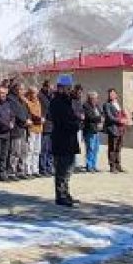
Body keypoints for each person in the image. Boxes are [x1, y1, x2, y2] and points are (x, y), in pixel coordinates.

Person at [50, 75, 82, 207]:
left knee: (68, 169)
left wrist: (76, 121)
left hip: (69, 140)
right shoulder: (57, 102)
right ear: (60, 88)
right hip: (61, 140)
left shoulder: (68, 101)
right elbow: (63, 121)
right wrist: (76, 123)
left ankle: (66, 193)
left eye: (70, 87)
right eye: (67, 88)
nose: (69, 90)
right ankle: (61, 195)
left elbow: (73, 116)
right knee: (61, 170)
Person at [5, 82, 31, 181]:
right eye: (21, 89)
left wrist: (28, 119)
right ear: (16, 90)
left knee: (23, 152)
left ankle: (21, 171)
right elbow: (17, 113)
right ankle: (11, 172)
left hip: (24, 129)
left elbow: (27, 112)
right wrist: (25, 120)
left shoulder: (23, 100)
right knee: (15, 151)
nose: (23, 91)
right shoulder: (11, 99)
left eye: (23, 89)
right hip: (16, 129)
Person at [102, 88, 128, 173]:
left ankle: (118, 165)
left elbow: (121, 114)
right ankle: (112, 167)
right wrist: (120, 120)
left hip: (120, 129)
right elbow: (109, 117)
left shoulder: (118, 104)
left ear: (116, 95)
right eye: (110, 94)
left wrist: (126, 117)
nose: (111, 95)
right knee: (112, 148)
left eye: (112, 94)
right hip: (113, 129)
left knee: (118, 148)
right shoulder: (107, 105)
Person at [22, 86, 44, 179]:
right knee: (30, 150)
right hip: (31, 128)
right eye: (34, 93)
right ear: (30, 93)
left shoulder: (38, 102)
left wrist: (42, 118)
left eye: (36, 93)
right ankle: (28, 170)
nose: (35, 95)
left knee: (37, 150)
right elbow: (31, 114)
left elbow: (39, 113)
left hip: (39, 128)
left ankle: (35, 169)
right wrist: (40, 119)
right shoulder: (27, 102)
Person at [81, 91, 104, 172]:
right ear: (90, 98)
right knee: (90, 148)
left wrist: (101, 118)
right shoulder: (86, 105)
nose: (96, 100)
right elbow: (89, 117)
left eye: (96, 98)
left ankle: (94, 165)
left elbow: (101, 113)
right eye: (94, 98)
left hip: (96, 130)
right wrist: (99, 119)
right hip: (89, 130)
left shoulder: (97, 106)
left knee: (96, 149)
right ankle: (89, 166)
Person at [38, 80, 55, 177]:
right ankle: (42, 168)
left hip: (52, 126)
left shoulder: (52, 96)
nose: (50, 89)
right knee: (44, 148)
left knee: (51, 149)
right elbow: (44, 111)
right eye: (48, 87)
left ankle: (49, 167)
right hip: (45, 126)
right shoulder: (40, 96)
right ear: (44, 87)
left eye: (51, 88)